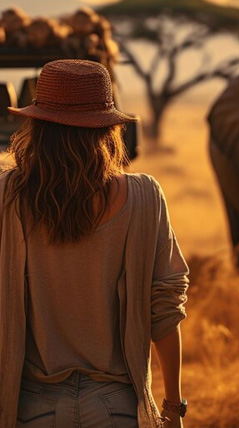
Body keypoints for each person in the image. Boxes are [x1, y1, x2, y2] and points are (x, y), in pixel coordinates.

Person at [0, 59, 189, 428]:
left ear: (36, 124)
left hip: (29, 406)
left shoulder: (7, 195)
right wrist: (171, 407)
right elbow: (165, 308)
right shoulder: (145, 196)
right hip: (117, 406)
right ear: (107, 130)